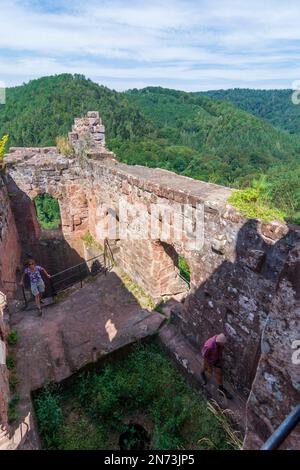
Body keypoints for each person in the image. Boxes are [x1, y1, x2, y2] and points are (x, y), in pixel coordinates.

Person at [201, 333, 233, 400]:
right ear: (219, 342)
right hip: (208, 359)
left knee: (219, 372)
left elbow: (220, 351)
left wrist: (220, 360)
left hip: (216, 358)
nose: (224, 345)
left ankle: (221, 389)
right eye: (223, 344)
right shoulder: (209, 346)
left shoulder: (220, 343)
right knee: (205, 368)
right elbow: (205, 356)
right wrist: (209, 367)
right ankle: (202, 373)